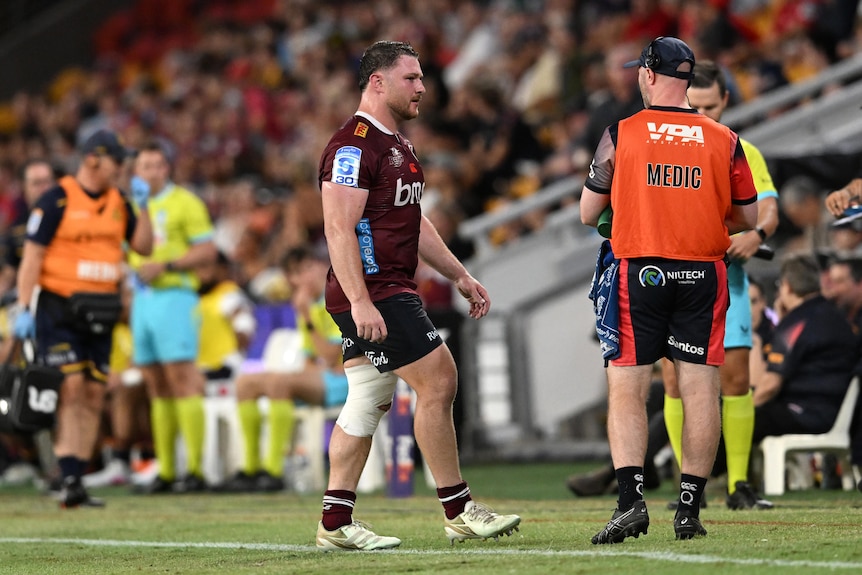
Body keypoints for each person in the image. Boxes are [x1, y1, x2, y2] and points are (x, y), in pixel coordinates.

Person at [315, 40, 520, 551]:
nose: (423, 87)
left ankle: (335, 522)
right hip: (375, 290)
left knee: (367, 400)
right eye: (411, 78)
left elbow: (414, 219)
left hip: (384, 288)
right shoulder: (352, 146)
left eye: (422, 77)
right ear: (377, 82)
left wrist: (458, 274)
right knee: (439, 380)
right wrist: (361, 302)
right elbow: (339, 229)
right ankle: (459, 510)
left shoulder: (397, 144)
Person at [579, 36, 758, 543]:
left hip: (641, 272)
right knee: (702, 388)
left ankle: (631, 502)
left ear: (650, 75)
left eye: (641, 70)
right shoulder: (724, 138)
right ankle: (689, 508)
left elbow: (588, 213)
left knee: (628, 387)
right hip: (704, 272)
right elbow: (748, 217)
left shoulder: (621, 133)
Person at [14, 129, 153, 507]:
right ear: (93, 159)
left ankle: (75, 477)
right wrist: (24, 307)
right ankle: (68, 473)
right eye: (116, 161)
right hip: (59, 308)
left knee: (93, 393)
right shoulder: (57, 198)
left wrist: (143, 208)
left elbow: (143, 246)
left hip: (102, 310)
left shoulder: (120, 201)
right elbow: (33, 256)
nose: (121, 168)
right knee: (71, 389)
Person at [663, 59, 778, 511]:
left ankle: (739, 485)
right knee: (673, 381)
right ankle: (690, 487)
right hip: (675, 276)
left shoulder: (741, 150)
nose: (705, 114)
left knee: (734, 380)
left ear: (726, 101)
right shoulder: (666, 147)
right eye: (697, 104)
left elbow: (767, 208)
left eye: (713, 105)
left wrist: (756, 234)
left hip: (728, 278)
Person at [218, 244, 346, 493]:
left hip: (346, 381)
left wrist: (308, 317)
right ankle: (251, 468)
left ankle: (274, 470)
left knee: (280, 382)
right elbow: (311, 357)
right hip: (323, 378)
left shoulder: (337, 300)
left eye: (309, 267)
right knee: (245, 383)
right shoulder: (307, 305)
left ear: (322, 266)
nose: (305, 277)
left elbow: (332, 356)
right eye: (297, 273)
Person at [128, 140, 217, 494]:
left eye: (156, 165)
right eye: (144, 166)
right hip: (142, 301)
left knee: (182, 378)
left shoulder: (185, 202)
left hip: (175, 296)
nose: (150, 172)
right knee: (155, 383)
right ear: (136, 171)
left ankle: (194, 471)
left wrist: (166, 264)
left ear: (167, 169)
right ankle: (166, 470)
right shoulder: (134, 207)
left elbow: (208, 250)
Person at [753, 255, 858, 444]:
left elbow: (770, 385)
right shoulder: (837, 316)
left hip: (804, 413)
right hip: (839, 413)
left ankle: (713, 472)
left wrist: (744, 410)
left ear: (787, 286)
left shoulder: (795, 324)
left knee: (736, 419)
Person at [0, 159, 58, 294]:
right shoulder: (17, 228)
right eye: (37, 183)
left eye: (48, 181)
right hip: (29, 295)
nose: (45, 189)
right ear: (23, 187)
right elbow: (9, 274)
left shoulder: (70, 218)